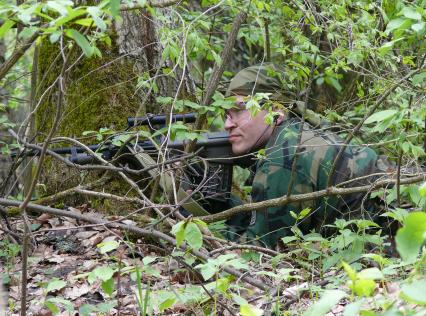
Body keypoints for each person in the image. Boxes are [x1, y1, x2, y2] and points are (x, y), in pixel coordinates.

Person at [220, 64, 391, 247]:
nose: (227, 124)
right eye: (226, 114)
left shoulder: (283, 158)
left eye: (238, 110)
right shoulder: (299, 135)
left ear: (276, 110)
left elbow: (258, 252)